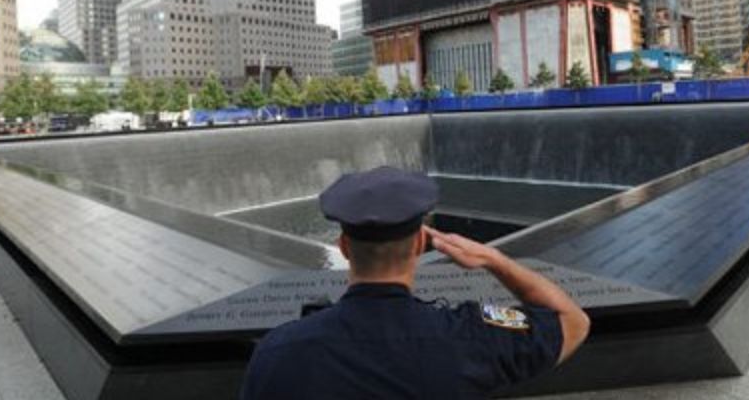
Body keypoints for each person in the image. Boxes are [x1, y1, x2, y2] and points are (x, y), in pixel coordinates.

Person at [240, 167, 590, 399]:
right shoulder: (471, 336)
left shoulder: (277, 352)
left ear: (344, 248)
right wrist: (492, 259)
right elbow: (572, 322)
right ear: (421, 245)